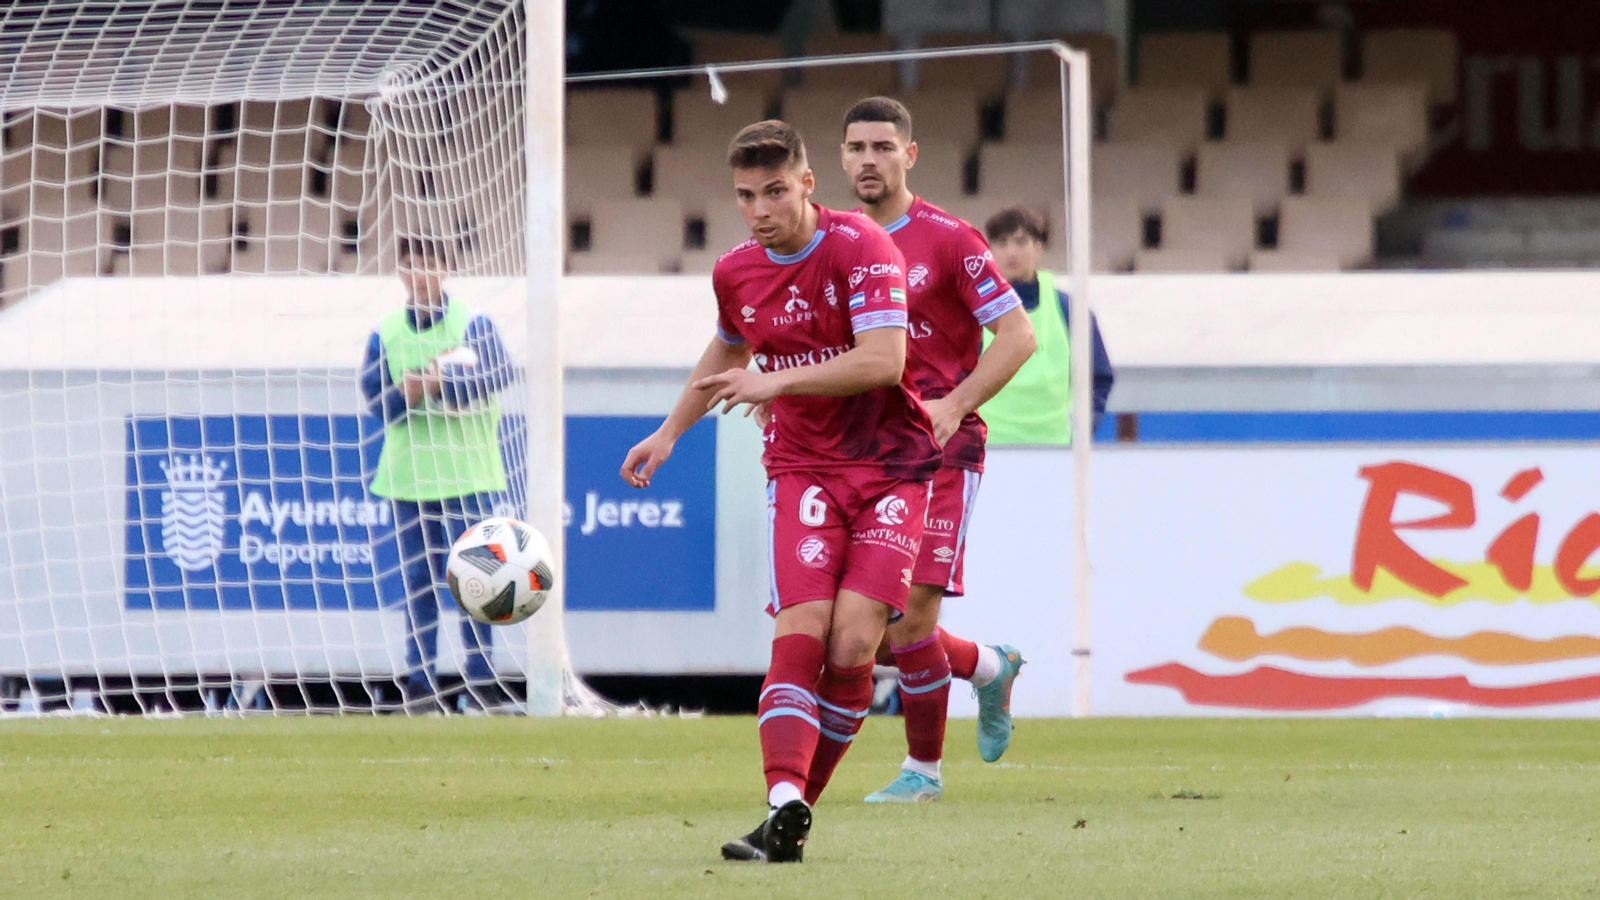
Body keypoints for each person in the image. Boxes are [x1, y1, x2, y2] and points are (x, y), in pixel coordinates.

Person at [619, 120, 937, 863]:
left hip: (892, 463)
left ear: (806, 184)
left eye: (773, 192)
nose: (760, 210)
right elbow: (730, 343)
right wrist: (670, 431)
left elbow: (885, 361)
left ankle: (791, 813)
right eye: (745, 196)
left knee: (858, 643)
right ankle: (784, 796)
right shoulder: (735, 270)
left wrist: (776, 379)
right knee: (802, 629)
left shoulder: (864, 247)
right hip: (803, 467)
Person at [838, 96, 1036, 803]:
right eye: (857, 148)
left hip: (943, 451)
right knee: (876, 627)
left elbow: (1018, 336)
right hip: (865, 454)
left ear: (909, 156)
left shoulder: (950, 240)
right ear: (840, 158)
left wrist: (955, 405)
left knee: (911, 618)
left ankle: (922, 772)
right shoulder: (839, 244)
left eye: (883, 147)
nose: (869, 160)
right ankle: (988, 667)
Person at [359, 237, 515, 714]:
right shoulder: (385, 332)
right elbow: (375, 402)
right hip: (410, 474)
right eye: (410, 264)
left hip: (468, 470)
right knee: (419, 581)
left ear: (446, 269)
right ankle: (420, 682)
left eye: (430, 263)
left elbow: (500, 374)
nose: (420, 273)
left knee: (477, 577)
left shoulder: (474, 322)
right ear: (401, 272)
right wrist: (406, 393)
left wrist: (442, 382)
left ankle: (482, 678)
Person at [980, 206, 1115, 442]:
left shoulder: (1070, 311)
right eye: (1002, 243)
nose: (1012, 252)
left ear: (1038, 248)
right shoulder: (970, 311)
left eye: (1021, 242)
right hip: (989, 450)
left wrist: (1082, 430)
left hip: (1056, 448)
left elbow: (1098, 377)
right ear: (989, 250)